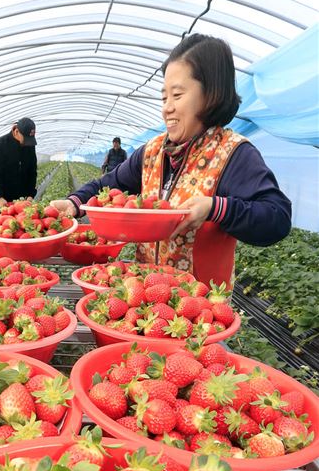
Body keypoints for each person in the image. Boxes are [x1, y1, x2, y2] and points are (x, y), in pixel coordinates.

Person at [50, 35, 291, 287]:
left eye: (177, 95)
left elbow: (277, 217)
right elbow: (110, 185)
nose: (167, 108)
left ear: (211, 95)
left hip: (199, 315)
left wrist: (216, 207)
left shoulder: (232, 153)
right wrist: (73, 203)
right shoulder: (153, 152)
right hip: (145, 301)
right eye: (164, 98)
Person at [0, 118, 38, 213]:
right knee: (5, 225)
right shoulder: (0, 145)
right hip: (5, 199)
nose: (28, 143)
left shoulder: (29, 146)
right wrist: (0, 197)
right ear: (16, 131)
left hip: (23, 200)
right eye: (26, 139)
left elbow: (32, 171)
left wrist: (31, 195)